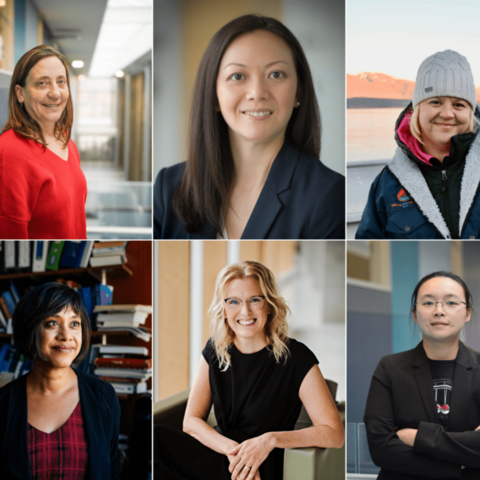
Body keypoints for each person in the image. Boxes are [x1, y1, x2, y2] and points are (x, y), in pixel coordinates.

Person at [154, 14, 345, 240]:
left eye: (276, 74)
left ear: (298, 93)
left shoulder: (328, 194)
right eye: (237, 76)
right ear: (214, 95)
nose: (257, 93)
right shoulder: (169, 186)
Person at [155, 261, 344, 480]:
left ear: (269, 304)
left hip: (262, 466)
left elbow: (334, 433)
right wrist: (234, 452)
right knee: (154, 438)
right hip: (223, 453)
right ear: (224, 308)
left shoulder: (297, 357)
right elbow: (191, 422)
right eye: (234, 301)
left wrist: (270, 440)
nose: (245, 311)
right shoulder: (214, 350)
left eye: (255, 300)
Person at [364, 272, 480, 479]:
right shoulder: (390, 368)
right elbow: (381, 448)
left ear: (468, 313)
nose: (439, 311)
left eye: (451, 302)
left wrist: (418, 437)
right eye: (428, 303)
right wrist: (457, 464)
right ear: (415, 314)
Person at [356, 50, 480, 239]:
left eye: (459, 105)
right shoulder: (387, 183)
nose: (447, 113)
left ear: (471, 112)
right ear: (416, 109)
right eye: (436, 102)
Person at [0, 283, 120, 479]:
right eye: (52, 323)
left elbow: (111, 470)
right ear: (31, 329)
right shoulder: (4, 403)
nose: (66, 336)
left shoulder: (103, 396)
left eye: (74, 324)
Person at [0, 45, 87, 239]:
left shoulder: (65, 140)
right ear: (20, 93)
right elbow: (10, 240)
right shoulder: (9, 152)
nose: (55, 93)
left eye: (61, 82)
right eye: (42, 83)